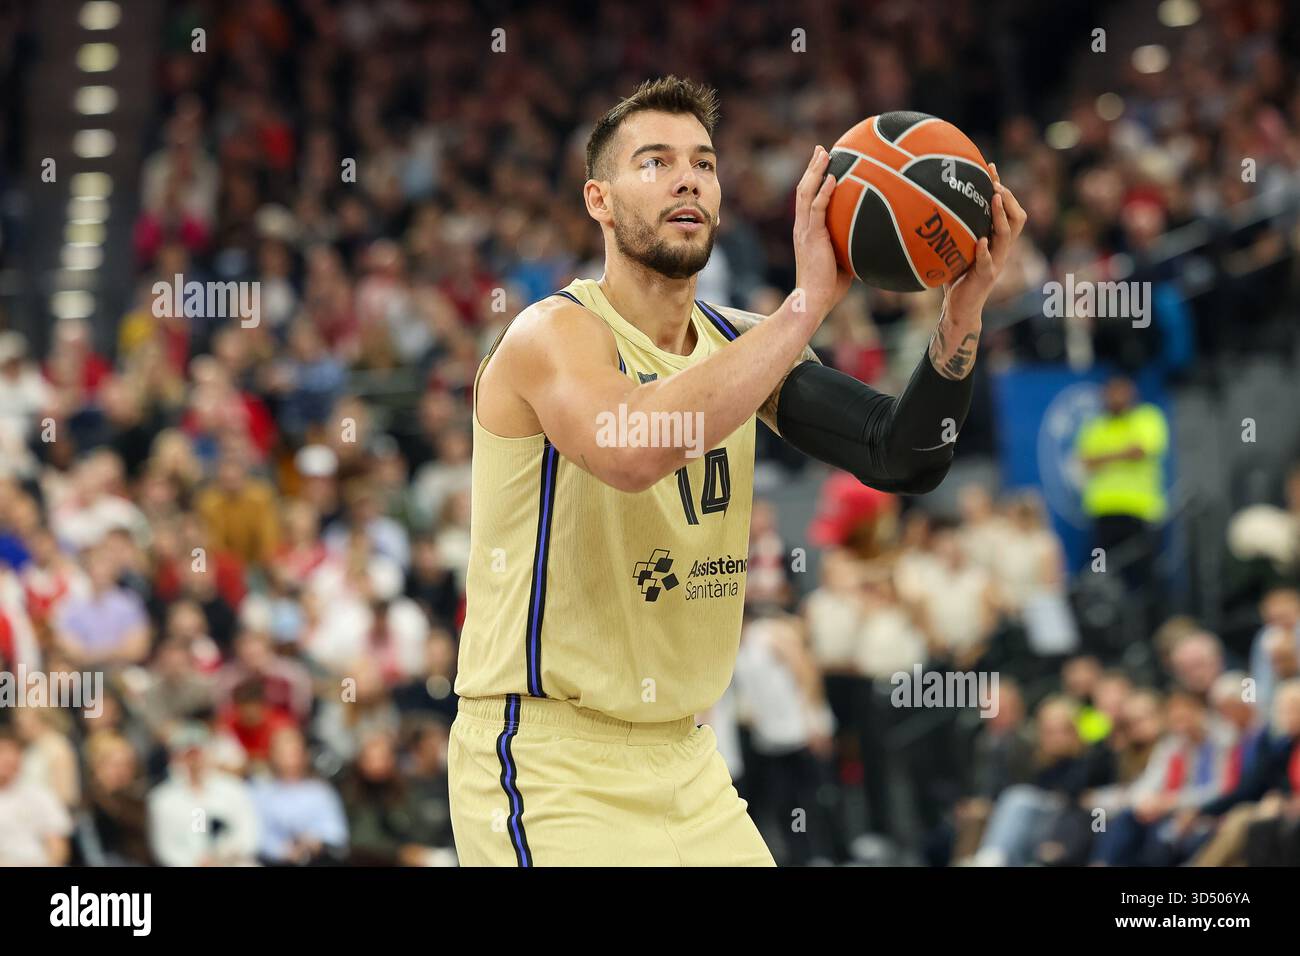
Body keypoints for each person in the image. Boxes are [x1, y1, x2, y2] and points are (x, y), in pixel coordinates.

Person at [448, 75, 1027, 866]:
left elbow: (902, 457)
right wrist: (805, 306)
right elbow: (629, 449)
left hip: (687, 757)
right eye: (654, 162)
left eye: (704, 163)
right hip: (549, 759)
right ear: (599, 201)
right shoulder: (554, 333)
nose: (687, 177)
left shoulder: (745, 341)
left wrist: (961, 317)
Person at [1075, 374, 1169, 623]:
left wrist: (1103, 457)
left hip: (1139, 511)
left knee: (1145, 576)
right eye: (1111, 392)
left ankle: (1153, 628)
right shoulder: (1095, 425)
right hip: (1103, 513)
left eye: (1121, 392)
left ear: (1132, 393)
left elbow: (1140, 451)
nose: (1115, 398)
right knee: (1106, 578)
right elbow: (1085, 461)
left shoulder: (1147, 416)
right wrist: (1122, 453)